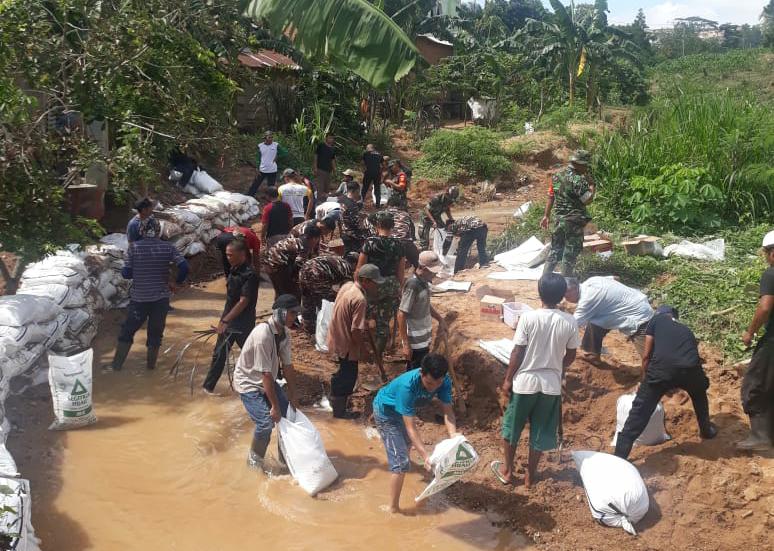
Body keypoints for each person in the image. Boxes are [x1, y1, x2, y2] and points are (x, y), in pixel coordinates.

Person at [492, 274, 579, 488]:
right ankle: (531, 476)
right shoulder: (570, 321)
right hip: (550, 386)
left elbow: (517, 352)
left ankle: (508, 471)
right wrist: (558, 367)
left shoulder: (528, 318)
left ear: (539, 293)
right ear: (562, 297)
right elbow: (570, 355)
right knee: (540, 431)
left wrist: (507, 379)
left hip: (525, 383)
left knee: (512, 428)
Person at [613, 306, 717, 459]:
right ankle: (706, 430)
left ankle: (621, 454)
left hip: (662, 370)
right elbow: (690, 352)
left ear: (661, 314)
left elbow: (647, 355)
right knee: (699, 394)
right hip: (691, 369)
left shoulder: (656, 320)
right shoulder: (686, 329)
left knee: (640, 409)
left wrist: (645, 380)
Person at [372, 354, 457, 514]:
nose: (433, 388)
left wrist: (453, 435)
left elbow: (448, 413)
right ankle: (393, 509)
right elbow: (411, 428)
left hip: (403, 412)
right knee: (400, 462)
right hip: (386, 413)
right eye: (429, 383)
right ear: (421, 373)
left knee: (405, 447)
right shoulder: (408, 386)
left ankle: (400, 467)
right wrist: (425, 456)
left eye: (438, 383)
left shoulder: (444, 382)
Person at [105, 218, 189, 371]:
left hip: (139, 300)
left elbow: (127, 274)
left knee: (127, 332)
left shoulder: (134, 248)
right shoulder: (167, 247)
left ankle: (116, 366)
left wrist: (133, 270)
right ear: (159, 231)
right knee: (155, 335)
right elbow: (184, 266)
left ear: (141, 231)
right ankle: (151, 367)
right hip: (161, 300)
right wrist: (177, 282)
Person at [234, 294, 302, 471]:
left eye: (296, 313)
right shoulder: (263, 334)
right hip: (249, 382)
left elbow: (287, 366)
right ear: (281, 312)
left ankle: (284, 460)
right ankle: (254, 463)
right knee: (266, 424)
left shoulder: (284, 334)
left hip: (267, 380)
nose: (295, 317)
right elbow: (265, 374)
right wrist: (274, 406)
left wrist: (293, 394)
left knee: (288, 416)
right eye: (293, 313)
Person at [202, 238, 260, 395]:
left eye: (230, 255)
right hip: (228, 320)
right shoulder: (234, 269)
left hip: (242, 323)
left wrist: (226, 320)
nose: (227, 258)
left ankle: (271, 381)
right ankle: (208, 388)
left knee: (251, 354)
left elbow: (243, 302)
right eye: (226, 255)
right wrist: (224, 320)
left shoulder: (250, 275)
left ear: (242, 254)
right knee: (220, 354)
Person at [326, 264, 383, 418]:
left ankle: (335, 397)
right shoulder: (360, 299)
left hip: (336, 336)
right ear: (365, 281)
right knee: (348, 376)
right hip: (346, 343)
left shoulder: (347, 287)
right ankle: (339, 412)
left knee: (344, 371)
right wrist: (364, 352)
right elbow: (355, 331)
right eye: (374, 282)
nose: (376, 286)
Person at [737, 231, 774, 451]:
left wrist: (750, 332)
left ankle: (761, 437)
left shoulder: (771, 274)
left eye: (766, 253)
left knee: (755, 385)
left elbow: (765, 306)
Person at [356, 212, 406, 368]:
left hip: (371, 283)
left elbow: (360, 268)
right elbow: (401, 272)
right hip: (390, 285)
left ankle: (363, 350)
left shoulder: (370, 242)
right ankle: (378, 356)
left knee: (366, 318)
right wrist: (399, 288)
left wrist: (357, 286)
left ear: (377, 226)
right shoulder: (399, 244)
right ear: (392, 227)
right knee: (383, 323)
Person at [564, 277, 654, 362]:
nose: (565, 299)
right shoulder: (592, 280)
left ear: (573, 289)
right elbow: (615, 278)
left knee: (649, 358)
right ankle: (593, 354)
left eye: (566, 296)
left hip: (640, 318)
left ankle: (653, 377)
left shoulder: (587, 299)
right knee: (594, 321)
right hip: (638, 300)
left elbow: (571, 325)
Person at [540, 150, 596, 277]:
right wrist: (592, 185)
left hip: (559, 220)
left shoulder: (556, 176)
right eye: (585, 165)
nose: (586, 168)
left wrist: (546, 215)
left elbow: (551, 196)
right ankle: (566, 284)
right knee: (570, 253)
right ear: (579, 164)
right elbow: (587, 200)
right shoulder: (578, 180)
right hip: (574, 221)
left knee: (555, 250)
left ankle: (544, 279)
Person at [398, 252, 446, 372]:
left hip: (423, 338)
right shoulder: (412, 285)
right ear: (424, 269)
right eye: (433, 271)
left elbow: (425, 304)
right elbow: (401, 314)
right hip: (415, 341)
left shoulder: (424, 282)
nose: (435, 274)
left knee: (421, 369)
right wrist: (405, 344)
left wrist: (440, 319)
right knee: (414, 372)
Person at [299, 253, 358, 334]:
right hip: (317, 272)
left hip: (303, 270)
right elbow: (346, 291)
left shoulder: (337, 260)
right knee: (327, 302)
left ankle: (309, 329)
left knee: (307, 298)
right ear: (355, 263)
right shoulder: (347, 268)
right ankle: (329, 328)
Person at [265, 226, 321, 300]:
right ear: (314, 238)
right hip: (276, 265)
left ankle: (279, 308)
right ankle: (287, 309)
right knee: (293, 293)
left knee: (280, 291)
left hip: (269, 263)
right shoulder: (305, 246)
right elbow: (298, 266)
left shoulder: (300, 239)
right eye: (318, 239)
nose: (317, 242)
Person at [366, 194, 418, 268]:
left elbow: (368, 222)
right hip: (404, 244)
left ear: (388, 204)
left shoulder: (380, 214)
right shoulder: (405, 215)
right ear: (399, 205)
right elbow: (411, 231)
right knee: (415, 258)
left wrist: (374, 234)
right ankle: (416, 272)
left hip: (383, 242)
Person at [247, 131, 287, 197]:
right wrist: (257, 168)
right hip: (262, 169)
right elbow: (258, 158)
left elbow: (285, 153)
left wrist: (277, 156)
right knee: (255, 184)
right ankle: (249, 196)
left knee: (271, 187)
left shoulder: (276, 145)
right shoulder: (260, 146)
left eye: (272, 137)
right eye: (269, 137)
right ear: (265, 138)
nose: (271, 139)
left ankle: (271, 200)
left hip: (272, 170)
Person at [339, 181, 371, 255]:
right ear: (355, 190)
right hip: (353, 236)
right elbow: (355, 224)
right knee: (355, 256)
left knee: (347, 255)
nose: (359, 193)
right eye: (358, 191)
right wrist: (365, 226)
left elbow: (345, 215)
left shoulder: (341, 199)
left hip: (344, 232)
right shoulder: (353, 205)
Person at [313, 133, 337, 200]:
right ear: (326, 138)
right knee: (320, 188)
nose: (331, 139)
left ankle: (325, 202)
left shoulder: (332, 148)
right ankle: (318, 203)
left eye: (332, 138)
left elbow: (332, 160)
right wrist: (315, 167)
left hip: (329, 171)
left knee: (327, 188)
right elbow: (316, 156)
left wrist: (334, 170)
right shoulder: (321, 145)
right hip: (320, 169)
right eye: (329, 138)